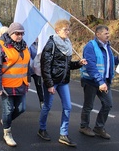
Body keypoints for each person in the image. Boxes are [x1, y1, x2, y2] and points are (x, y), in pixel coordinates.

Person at [37, 19, 87, 147]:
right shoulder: (51, 44)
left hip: (63, 81)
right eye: (65, 29)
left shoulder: (68, 44)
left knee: (68, 107)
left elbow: (67, 65)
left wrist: (79, 64)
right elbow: (45, 66)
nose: (68, 32)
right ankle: (42, 129)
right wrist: (49, 85)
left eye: (69, 29)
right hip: (52, 81)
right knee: (47, 106)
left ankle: (63, 134)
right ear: (57, 30)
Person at [0, 22, 30, 147]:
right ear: (10, 33)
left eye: (22, 33)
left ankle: (5, 121)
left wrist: (28, 79)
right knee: (8, 110)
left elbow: (26, 64)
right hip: (6, 85)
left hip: (21, 83)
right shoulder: (0, 46)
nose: (19, 36)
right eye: (17, 33)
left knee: (21, 108)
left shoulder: (24, 45)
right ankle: (7, 132)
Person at [79, 25, 119, 139]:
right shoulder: (90, 46)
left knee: (108, 104)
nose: (108, 35)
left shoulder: (107, 46)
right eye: (106, 33)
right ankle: (84, 126)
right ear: (98, 34)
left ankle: (99, 128)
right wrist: (99, 81)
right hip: (91, 81)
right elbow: (91, 66)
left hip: (105, 81)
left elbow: (108, 61)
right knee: (88, 106)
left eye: (108, 33)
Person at [29, 39, 44, 109]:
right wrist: (34, 65)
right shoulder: (29, 45)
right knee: (25, 85)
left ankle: (42, 101)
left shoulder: (41, 44)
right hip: (29, 68)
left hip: (37, 69)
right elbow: (29, 58)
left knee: (39, 85)